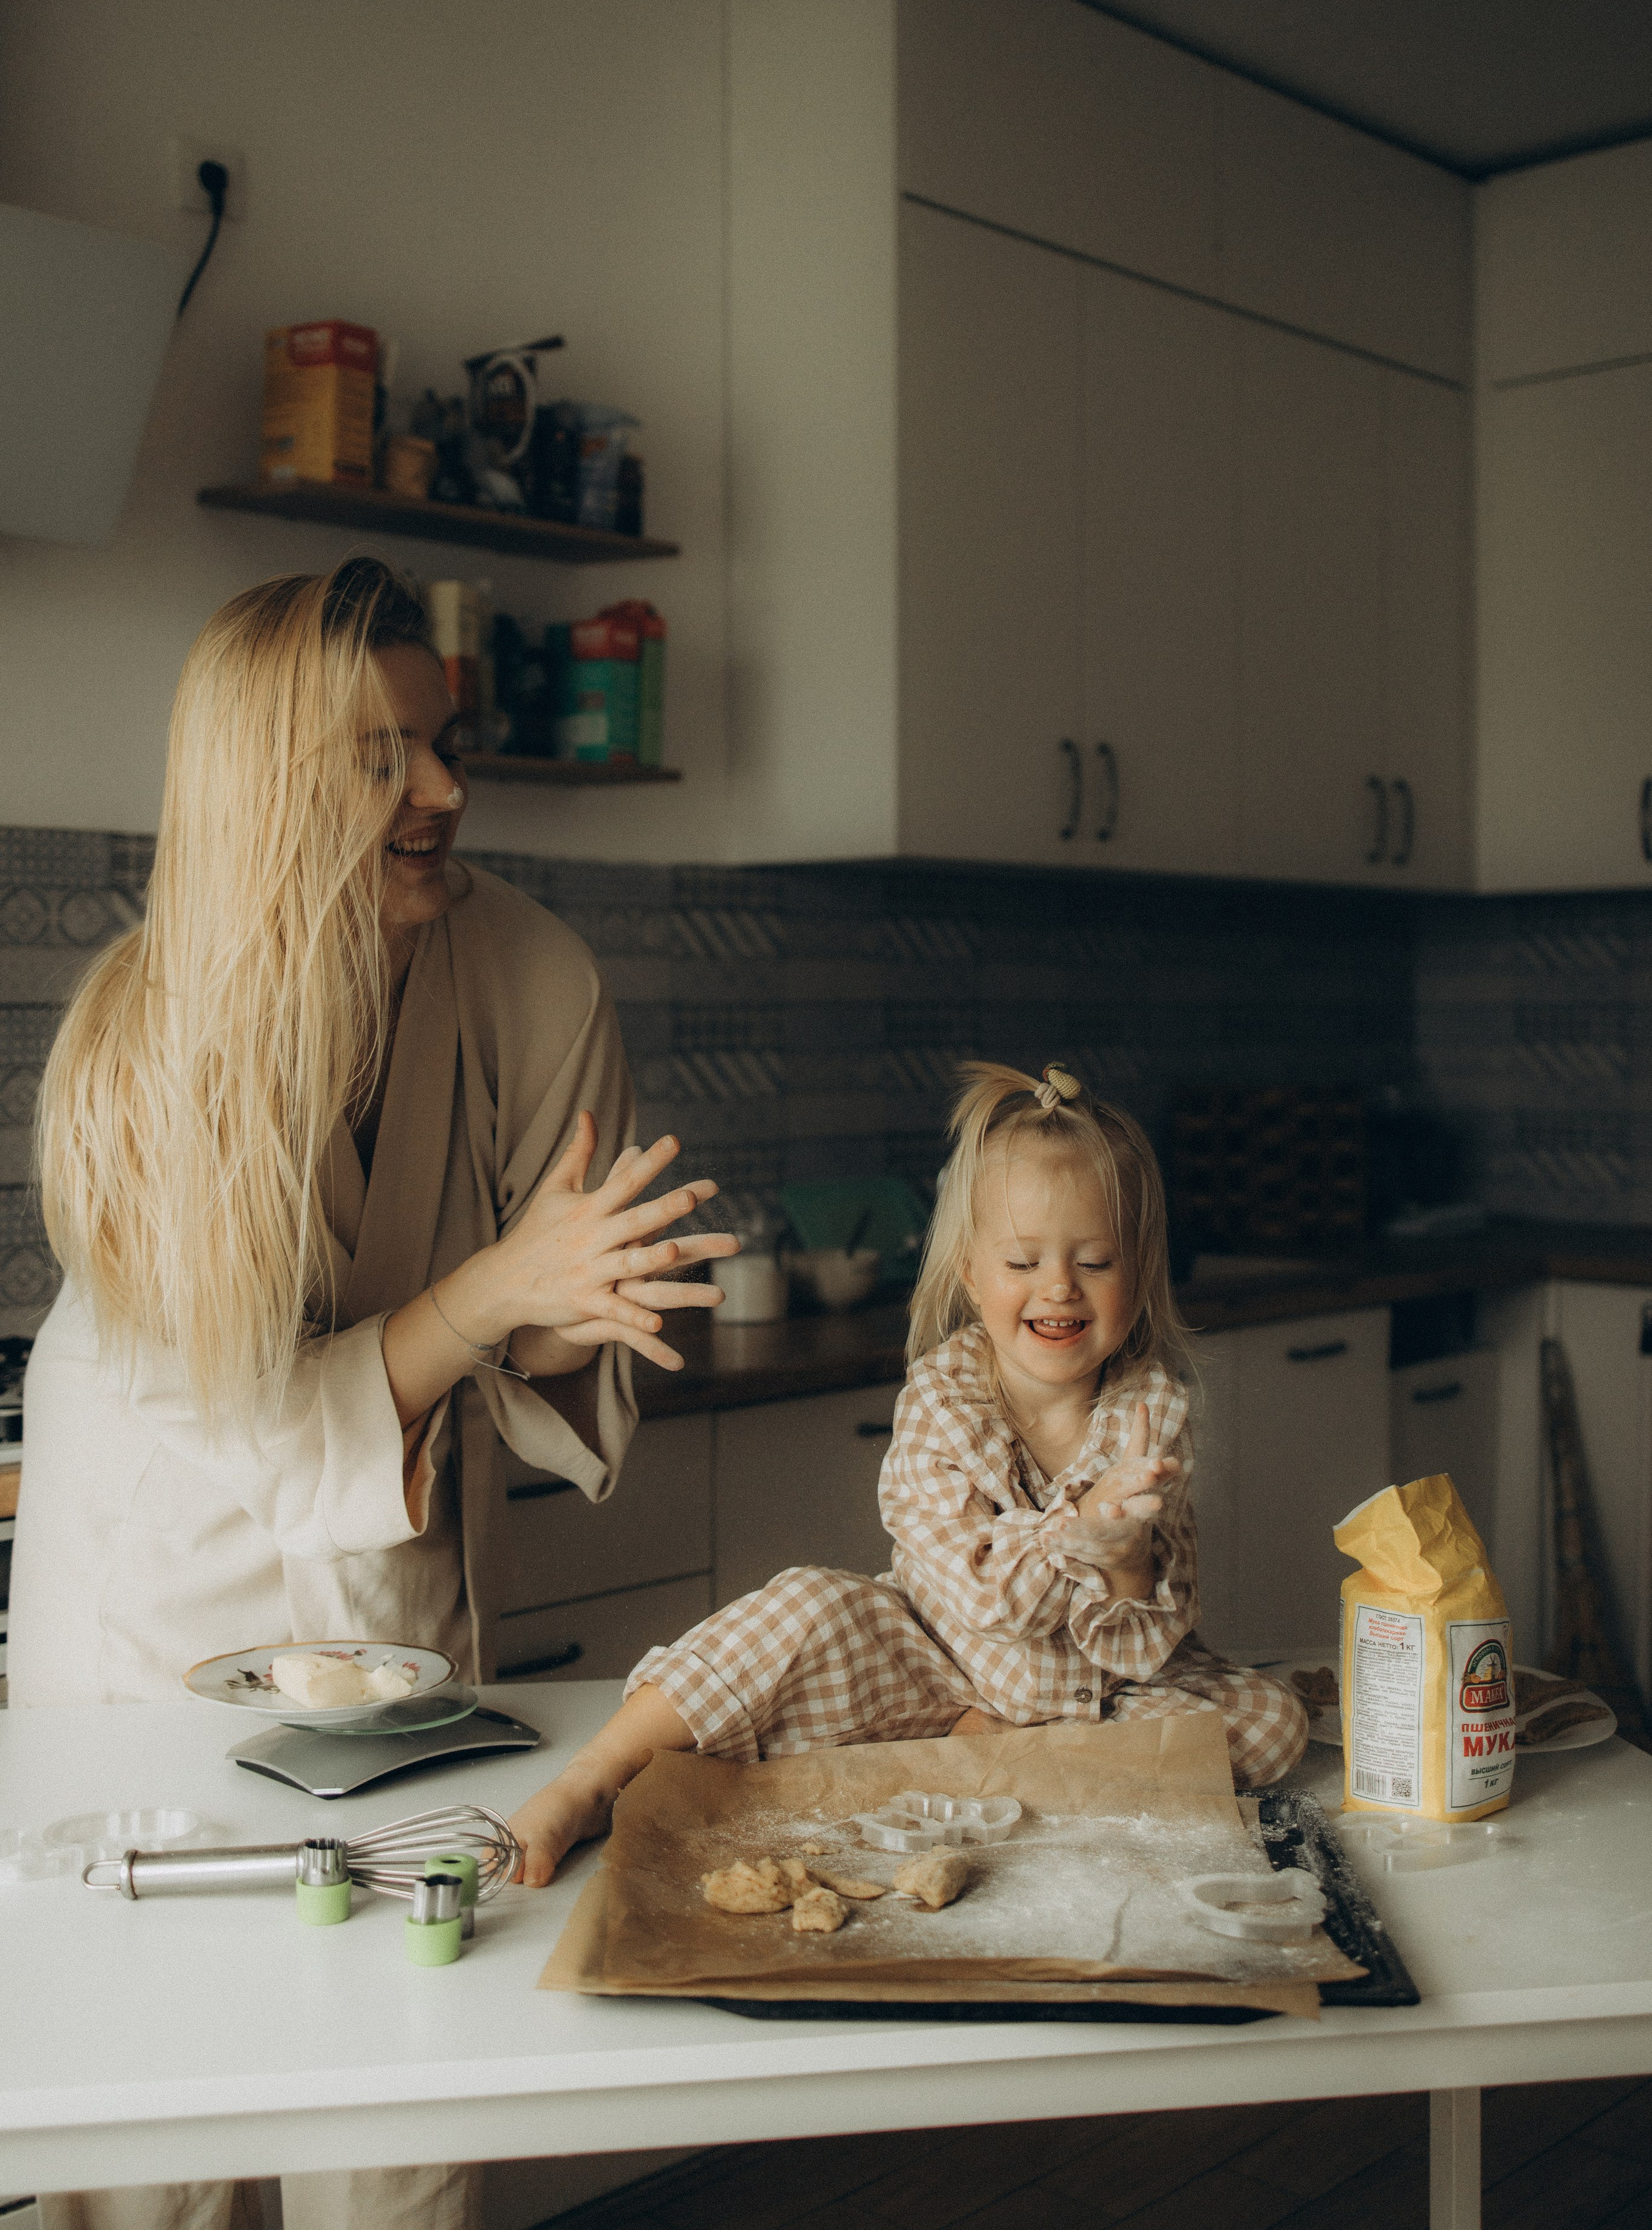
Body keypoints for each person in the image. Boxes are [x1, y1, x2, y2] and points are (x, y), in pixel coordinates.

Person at [12, 559, 735, 2230]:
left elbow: (572, 1346)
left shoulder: (536, 974)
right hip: (143, 1630)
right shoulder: (145, 1043)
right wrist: (498, 1289)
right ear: (269, 773)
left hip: (387, 1616)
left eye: (446, 742)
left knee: (404, 2123)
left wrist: (574, 1296)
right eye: (385, 754)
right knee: (153, 2157)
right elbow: (248, 1418)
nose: (446, 790)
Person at [510, 1060, 1307, 1886]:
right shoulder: (941, 1398)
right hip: (931, 1661)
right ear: (969, 1271)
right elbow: (979, 1597)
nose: (1059, 1287)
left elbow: (1152, 1634)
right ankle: (590, 1779)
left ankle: (988, 1759)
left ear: (1139, 1274)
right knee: (804, 1608)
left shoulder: (1153, 1411)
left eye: (1096, 1262)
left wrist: (1124, 1558)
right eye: (1023, 1262)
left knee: (1269, 1722)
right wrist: (1075, 1532)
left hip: (1103, 1694)